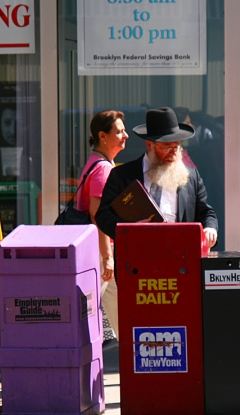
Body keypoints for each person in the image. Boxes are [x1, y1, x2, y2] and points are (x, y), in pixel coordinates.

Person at [95, 107, 218, 248]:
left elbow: (206, 212)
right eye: (166, 147)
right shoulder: (122, 175)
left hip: (181, 254)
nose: (173, 152)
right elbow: (103, 215)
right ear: (149, 145)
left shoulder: (191, 176)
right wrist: (128, 230)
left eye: (177, 147)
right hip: (137, 255)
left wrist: (210, 228)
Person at [76, 110, 128, 340]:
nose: (125, 135)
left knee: (122, 310)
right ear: (103, 136)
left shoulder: (96, 163)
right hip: (98, 252)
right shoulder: (103, 169)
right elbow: (98, 214)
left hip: (97, 250)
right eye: (119, 131)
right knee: (84, 314)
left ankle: (136, 359)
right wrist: (107, 256)